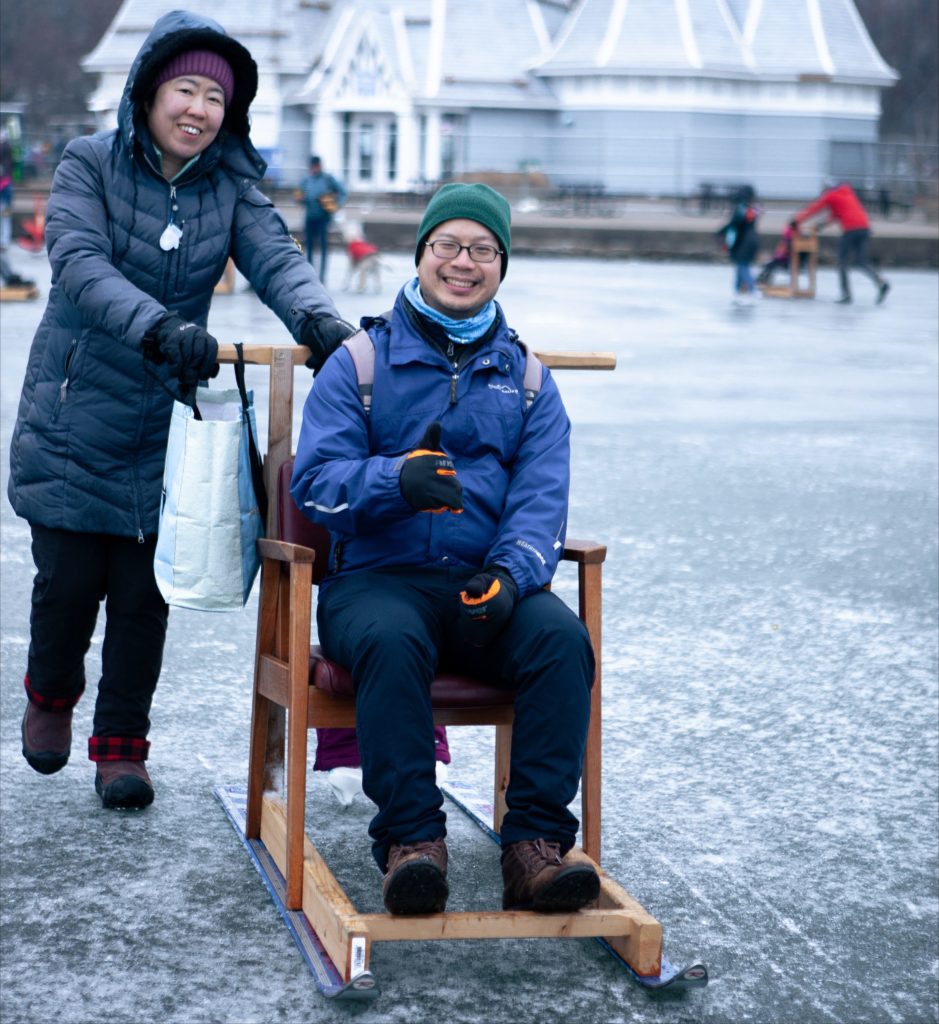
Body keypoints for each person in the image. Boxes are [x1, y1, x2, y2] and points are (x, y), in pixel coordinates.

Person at [7, 10, 355, 811]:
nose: (199, 109)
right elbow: (80, 263)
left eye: (215, 98)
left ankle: (121, 749)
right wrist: (159, 326)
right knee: (66, 587)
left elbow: (276, 259)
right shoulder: (87, 163)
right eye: (185, 89)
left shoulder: (228, 186)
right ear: (149, 92)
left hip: (162, 434)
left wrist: (320, 322)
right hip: (73, 418)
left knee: (142, 597)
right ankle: (51, 694)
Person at [290, 182, 600, 916]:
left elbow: (540, 498)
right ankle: (412, 843)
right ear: (422, 253)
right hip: (376, 582)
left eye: (483, 249)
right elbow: (314, 487)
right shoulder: (359, 364)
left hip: (481, 584)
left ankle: (534, 848)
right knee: (393, 642)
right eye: (448, 246)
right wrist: (395, 480)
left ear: (501, 264)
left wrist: (511, 573)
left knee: (561, 641)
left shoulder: (527, 381)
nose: (464, 262)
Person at [793, 180, 890, 305]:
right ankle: (881, 282)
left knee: (842, 261)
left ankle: (846, 294)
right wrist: (821, 225)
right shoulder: (847, 194)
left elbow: (814, 208)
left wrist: (797, 220)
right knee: (861, 261)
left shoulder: (831, 195)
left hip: (851, 230)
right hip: (864, 228)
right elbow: (836, 214)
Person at [299, 156, 346, 282]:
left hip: (323, 217)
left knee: (323, 247)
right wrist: (301, 199)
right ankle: (310, 275)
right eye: (313, 167)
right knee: (308, 247)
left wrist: (335, 205)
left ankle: (322, 277)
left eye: (317, 166)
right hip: (310, 217)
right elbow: (298, 194)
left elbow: (343, 192)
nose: (315, 169)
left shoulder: (328, 179)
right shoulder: (306, 180)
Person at [717, 185, 761, 304]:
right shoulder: (754, 209)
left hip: (743, 243)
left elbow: (733, 226)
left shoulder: (741, 209)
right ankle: (736, 291)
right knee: (740, 266)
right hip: (753, 241)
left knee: (742, 265)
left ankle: (753, 290)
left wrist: (722, 235)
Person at [756, 219, 806, 287]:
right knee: (770, 265)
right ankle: (763, 279)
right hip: (785, 260)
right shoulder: (795, 237)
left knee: (770, 265)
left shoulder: (790, 238)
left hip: (786, 261)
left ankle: (762, 279)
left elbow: (784, 250)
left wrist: (777, 255)